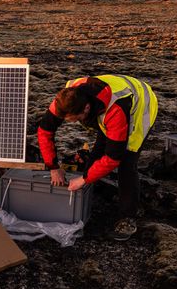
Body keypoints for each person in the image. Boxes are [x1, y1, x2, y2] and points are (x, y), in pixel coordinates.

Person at [37, 74, 158, 241]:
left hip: (140, 107)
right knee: (98, 151)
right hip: (105, 104)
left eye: (75, 120)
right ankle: (85, 199)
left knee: (126, 163)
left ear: (86, 109)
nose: (71, 123)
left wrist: (84, 179)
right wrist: (53, 167)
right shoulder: (65, 99)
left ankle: (127, 218)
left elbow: (113, 157)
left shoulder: (115, 110)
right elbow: (45, 131)